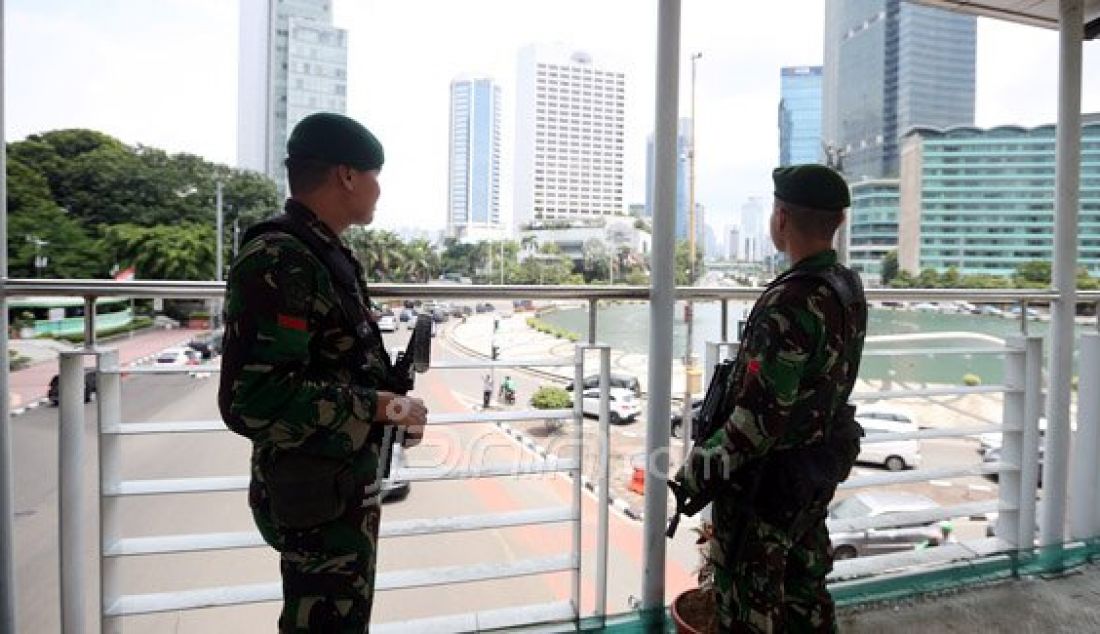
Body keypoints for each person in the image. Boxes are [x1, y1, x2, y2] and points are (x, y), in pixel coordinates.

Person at [218, 112, 427, 632]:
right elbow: (253, 398)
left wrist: (389, 410)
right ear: (347, 176)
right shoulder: (281, 259)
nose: (379, 189)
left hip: (337, 482)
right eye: (375, 174)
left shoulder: (322, 252)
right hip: (313, 493)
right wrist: (384, 407)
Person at [672, 164, 867, 633]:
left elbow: (757, 423)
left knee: (748, 603)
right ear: (838, 221)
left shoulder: (789, 303)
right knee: (804, 592)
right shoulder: (846, 288)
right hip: (815, 470)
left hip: (769, 485)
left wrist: (694, 474)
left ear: (780, 219)